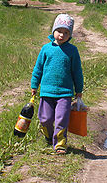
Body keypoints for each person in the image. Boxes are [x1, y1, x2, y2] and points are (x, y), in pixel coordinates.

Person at [31, 13, 83, 154]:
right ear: (53, 30)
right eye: (59, 31)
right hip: (47, 91)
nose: (62, 35)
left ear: (70, 34)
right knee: (45, 119)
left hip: (65, 93)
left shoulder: (72, 51)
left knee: (61, 119)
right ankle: (48, 135)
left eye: (66, 32)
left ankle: (60, 144)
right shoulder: (46, 49)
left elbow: (77, 72)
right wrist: (34, 85)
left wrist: (79, 90)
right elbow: (38, 68)